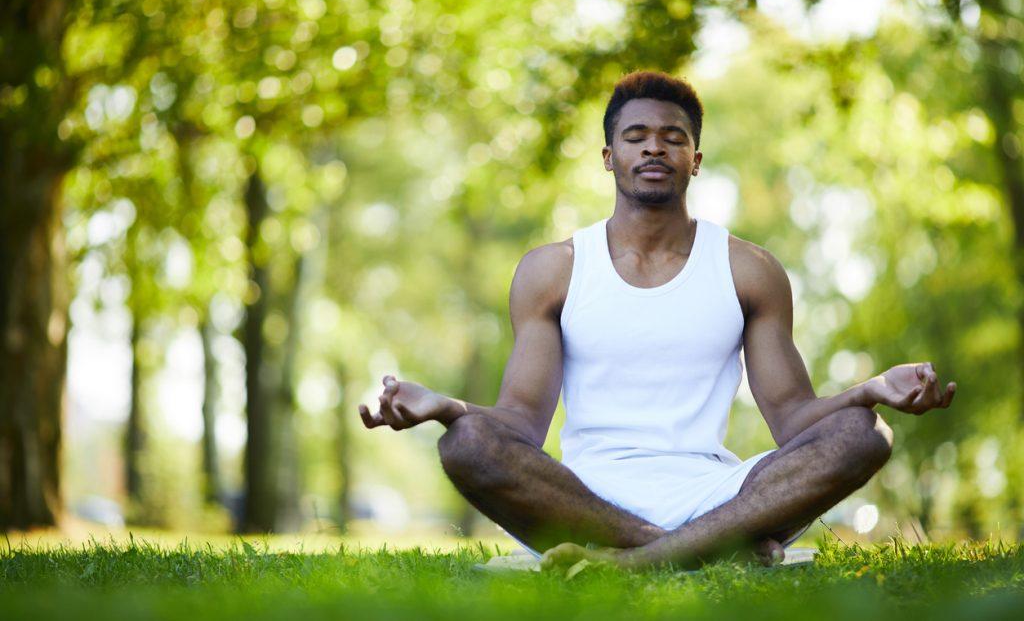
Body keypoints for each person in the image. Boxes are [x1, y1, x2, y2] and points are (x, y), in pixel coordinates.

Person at [358, 71, 957, 571]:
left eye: (673, 138)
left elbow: (795, 420)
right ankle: (688, 555)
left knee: (863, 434)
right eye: (636, 136)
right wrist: (446, 407)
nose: (654, 148)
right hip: (585, 498)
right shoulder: (553, 270)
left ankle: (639, 561)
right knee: (467, 443)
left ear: (695, 160)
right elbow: (519, 421)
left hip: (718, 496)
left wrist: (872, 390)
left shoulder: (749, 270)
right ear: (608, 155)